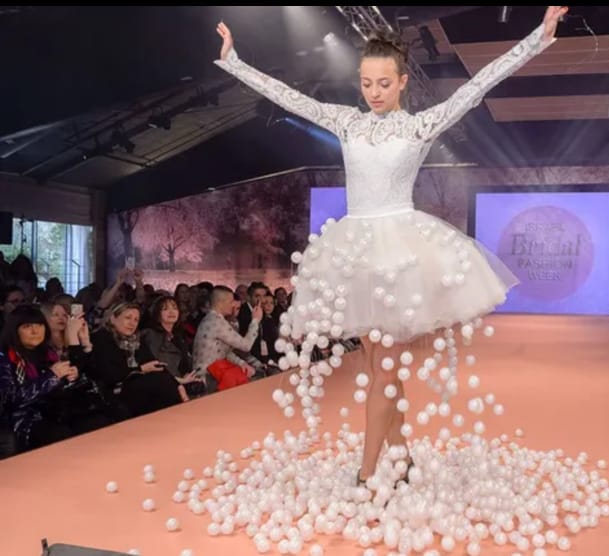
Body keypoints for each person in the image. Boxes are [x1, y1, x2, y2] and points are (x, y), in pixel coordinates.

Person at [215, 6, 569, 487]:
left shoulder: (420, 125)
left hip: (400, 257)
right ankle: (400, 459)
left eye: (384, 83)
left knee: (381, 370)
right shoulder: (346, 122)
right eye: (366, 83)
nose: (374, 92)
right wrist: (234, 62)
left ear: (403, 81)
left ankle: (366, 473)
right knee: (378, 367)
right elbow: (289, 97)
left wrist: (538, 38)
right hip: (354, 255)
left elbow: (478, 85)